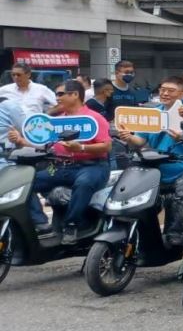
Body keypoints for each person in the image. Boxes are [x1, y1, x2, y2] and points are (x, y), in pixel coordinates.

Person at [6, 81, 113, 244]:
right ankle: (40, 223)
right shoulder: (56, 121)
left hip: (93, 166)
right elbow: (46, 145)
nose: (57, 98)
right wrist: (21, 140)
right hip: (61, 167)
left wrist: (81, 147)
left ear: (75, 95)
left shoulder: (94, 118)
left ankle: (72, 225)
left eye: (60, 94)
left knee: (84, 183)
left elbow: (106, 146)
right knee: (23, 184)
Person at [114, 76, 183, 247]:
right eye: (162, 89)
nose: (165, 93)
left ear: (182, 94)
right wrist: (128, 137)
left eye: (171, 91)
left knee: (181, 194)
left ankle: (176, 236)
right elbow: (140, 141)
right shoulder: (152, 114)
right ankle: (143, 238)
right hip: (155, 167)